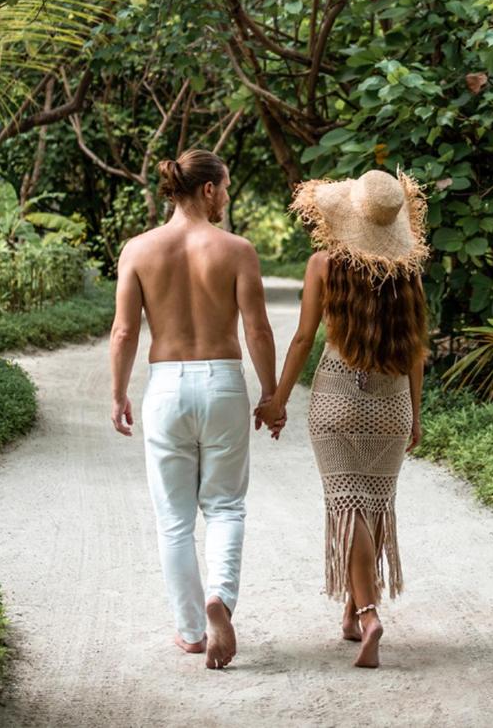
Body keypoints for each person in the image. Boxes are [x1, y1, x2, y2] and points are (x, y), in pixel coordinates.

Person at [109, 149, 285, 670]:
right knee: (225, 506)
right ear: (208, 190)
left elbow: (124, 331)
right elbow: (258, 329)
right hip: (223, 384)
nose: (226, 197)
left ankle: (190, 632)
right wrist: (271, 394)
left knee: (174, 520)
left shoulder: (138, 250)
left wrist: (118, 393)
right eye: (224, 187)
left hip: (166, 387)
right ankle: (220, 599)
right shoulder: (237, 250)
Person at [256, 169, 429, 669]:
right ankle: (353, 614)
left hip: (337, 399)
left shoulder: (324, 264)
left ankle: (370, 614)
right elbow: (417, 353)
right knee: (371, 504)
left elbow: (303, 339)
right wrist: (415, 415)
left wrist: (278, 401)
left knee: (347, 504)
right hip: (392, 403)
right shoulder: (408, 271)